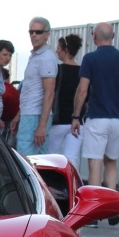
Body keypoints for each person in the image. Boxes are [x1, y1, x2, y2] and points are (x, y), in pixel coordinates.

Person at [71, 21, 119, 224]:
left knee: (95, 163)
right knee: (112, 162)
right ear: (114, 36)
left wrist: (76, 115)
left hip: (98, 118)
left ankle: (94, 212)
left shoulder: (90, 59)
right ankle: (112, 209)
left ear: (94, 37)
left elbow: (83, 89)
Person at [17, 17, 59, 155]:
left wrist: (41, 126)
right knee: (37, 159)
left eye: (38, 32)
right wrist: (18, 115)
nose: (34, 35)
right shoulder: (36, 56)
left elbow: (49, 93)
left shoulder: (46, 58)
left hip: (35, 115)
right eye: (31, 32)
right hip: (29, 113)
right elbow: (30, 89)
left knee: (26, 159)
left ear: (47, 34)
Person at [44, 33, 84, 169]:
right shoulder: (83, 72)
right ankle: (72, 188)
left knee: (51, 158)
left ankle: (49, 188)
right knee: (71, 158)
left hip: (58, 120)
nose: (57, 51)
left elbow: (50, 93)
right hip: (78, 122)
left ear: (66, 50)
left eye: (59, 48)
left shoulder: (57, 70)